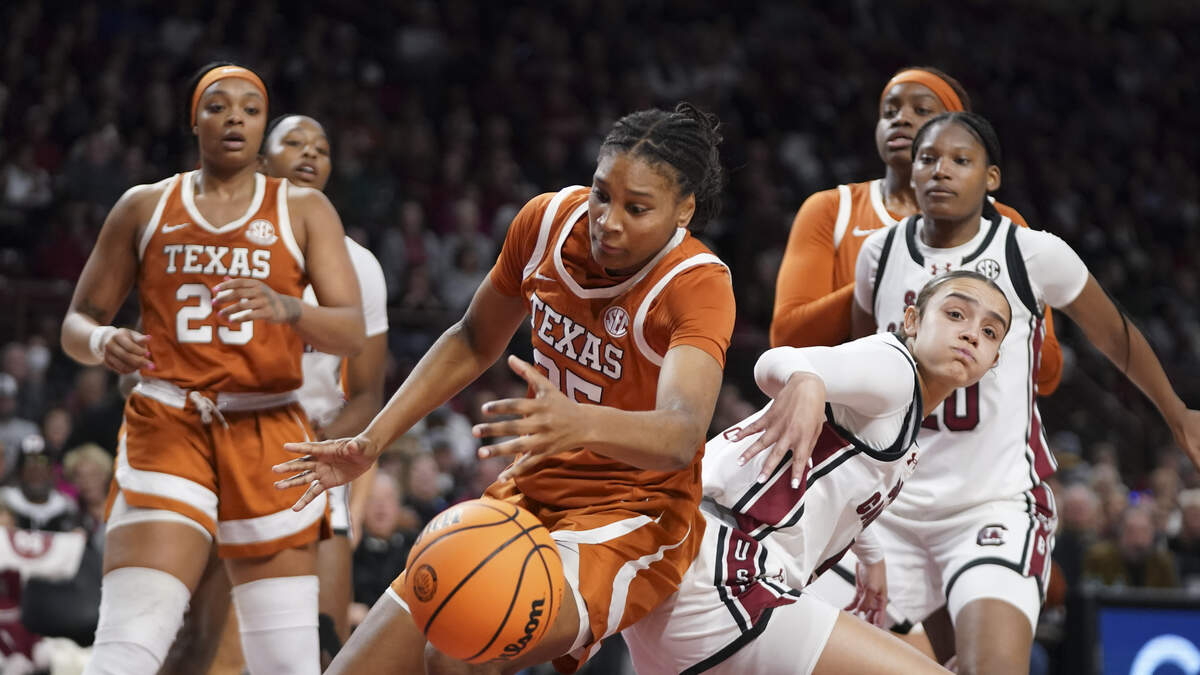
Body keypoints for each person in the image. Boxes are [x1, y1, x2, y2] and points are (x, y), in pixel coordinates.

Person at [276, 102, 735, 674]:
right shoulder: (545, 223)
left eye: (637, 208)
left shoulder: (697, 284)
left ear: (684, 210)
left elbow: (682, 432)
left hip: (633, 514)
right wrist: (373, 440)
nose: (608, 221)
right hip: (530, 490)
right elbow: (473, 339)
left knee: (460, 650)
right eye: (601, 194)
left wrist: (582, 422)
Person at [847, 111, 1200, 674]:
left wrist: (1177, 414)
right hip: (890, 508)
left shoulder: (1032, 253)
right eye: (927, 158)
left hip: (992, 504)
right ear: (909, 172)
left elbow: (1114, 334)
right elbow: (862, 368)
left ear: (991, 178)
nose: (940, 171)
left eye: (960, 160)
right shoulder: (878, 254)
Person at [59, 63, 365, 675]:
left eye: (251, 110)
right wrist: (102, 339)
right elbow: (77, 321)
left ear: (261, 126)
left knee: (287, 662)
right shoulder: (144, 205)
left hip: (269, 430)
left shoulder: (303, 210)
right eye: (218, 106)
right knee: (129, 641)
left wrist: (288, 307)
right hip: (169, 420)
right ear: (193, 119)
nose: (234, 119)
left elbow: (351, 331)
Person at [625, 270, 1010, 674]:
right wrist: (805, 379)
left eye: (989, 332)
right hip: (718, 574)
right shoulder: (894, 370)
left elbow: (838, 491)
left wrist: (872, 556)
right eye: (955, 314)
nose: (971, 334)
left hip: (682, 568)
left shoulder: (901, 417)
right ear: (912, 321)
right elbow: (775, 360)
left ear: (994, 360)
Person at [158, 112, 391, 674]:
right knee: (198, 650)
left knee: (326, 651)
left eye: (322, 147)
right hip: (219, 460)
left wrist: (309, 449)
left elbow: (367, 396)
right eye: (295, 142)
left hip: (307, 466)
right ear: (262, 163)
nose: (311, 152)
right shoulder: (214, 248)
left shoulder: (359, 266)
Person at [770, 66, 1061, 391]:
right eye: (889, 112)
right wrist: (887, 278)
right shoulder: (833, 209)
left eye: (921, 110)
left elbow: (1047, 371)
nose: (901, 118)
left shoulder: (1003, 222)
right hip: (858, 412)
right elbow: (787, 339)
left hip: (967, 417)